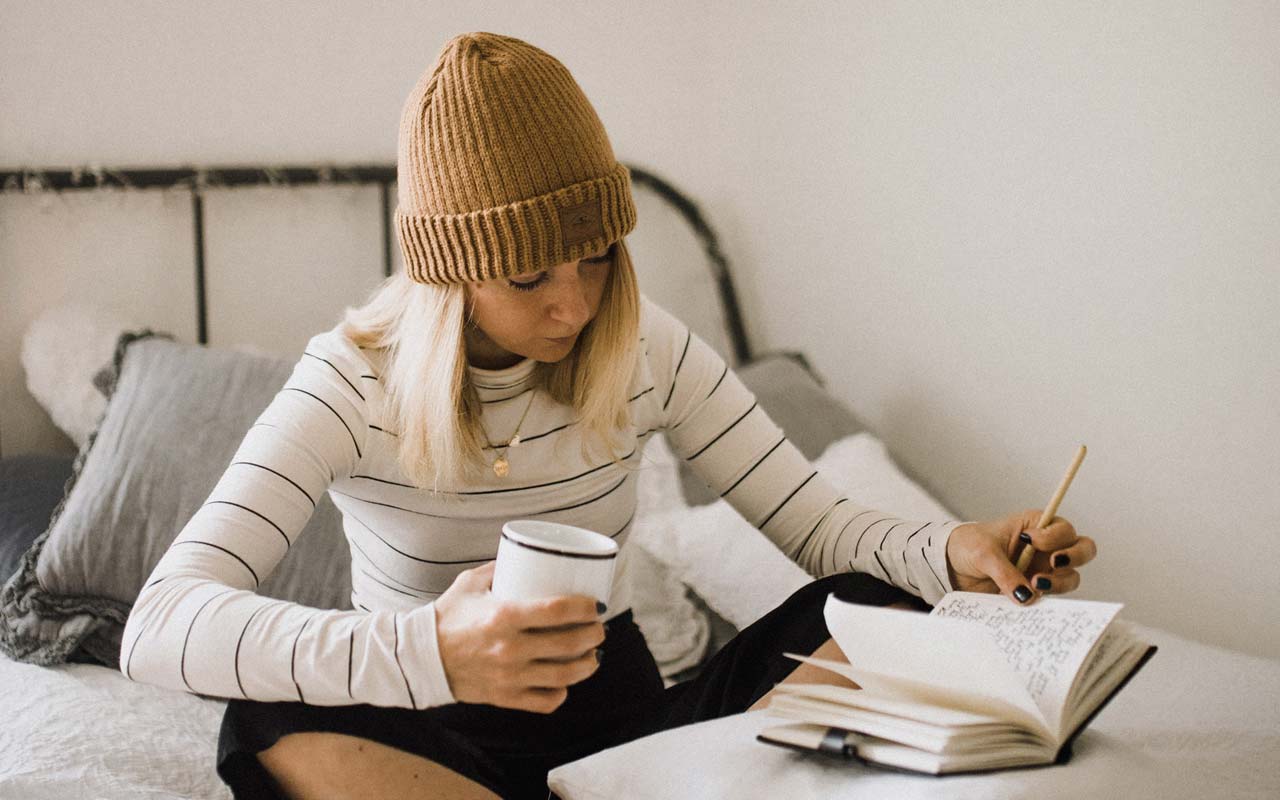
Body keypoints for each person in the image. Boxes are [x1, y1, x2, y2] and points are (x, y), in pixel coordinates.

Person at [119, 31, 1096, 800]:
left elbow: (821, 525)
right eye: (528, 276)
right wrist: (431, 650)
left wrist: (950, 550)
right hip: (429, 737)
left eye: (594, 259)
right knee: (258, 721)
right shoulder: (351, 382)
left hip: (629, 739)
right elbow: (158, 623)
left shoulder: (643, 347)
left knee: (880, 604)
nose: (573, 305)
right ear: (449, 275)